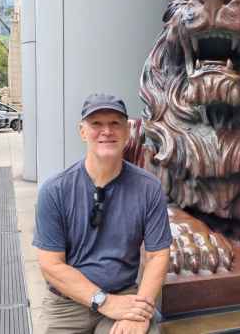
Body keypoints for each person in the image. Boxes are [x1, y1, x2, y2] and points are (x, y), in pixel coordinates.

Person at [33, 93, 172, 334]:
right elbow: (51, 265)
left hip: (124, 294)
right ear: (82, 131)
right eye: (96, 124)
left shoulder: (149, 188)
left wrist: (142, 309)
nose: (106, 131)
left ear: (128, 131)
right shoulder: (55, 191)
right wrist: (104, 301)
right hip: (68, 303)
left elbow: (158, 255)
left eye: (115, 123)